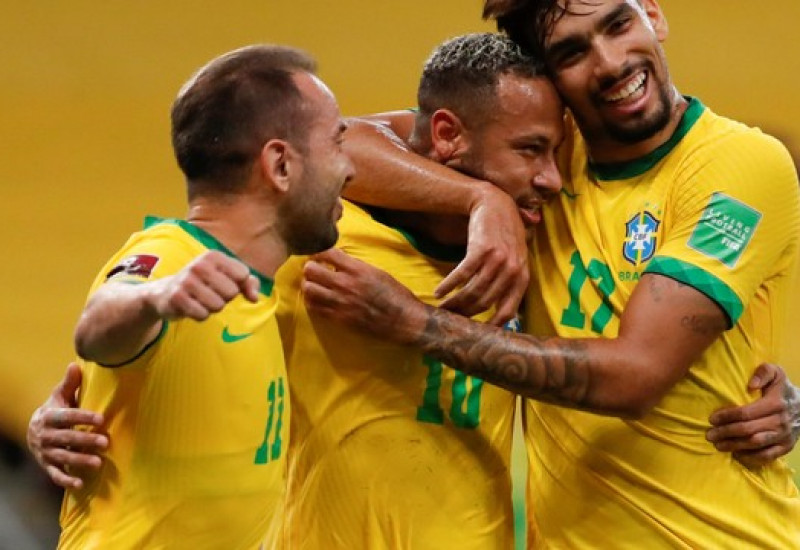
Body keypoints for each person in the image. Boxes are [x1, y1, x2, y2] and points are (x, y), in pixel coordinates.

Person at [299, 1, 800, 547]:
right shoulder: (545, 159)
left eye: (617, 23)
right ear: (549, 79)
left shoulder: (736, 162)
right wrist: (479, 197)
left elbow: (637, 374)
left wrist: (418, 325)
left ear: (653, 14)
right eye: (571, 52)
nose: (609, 63)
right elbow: (335, 146)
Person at [52, 44, 354, 549]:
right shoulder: (170, 258)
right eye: (337, 142)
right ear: (280, 164)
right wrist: (159, 298)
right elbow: (98, 325)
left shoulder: (267, 283)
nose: (351, 168)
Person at [274, 32, 561, 549]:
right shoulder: (318, 245)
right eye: (530, 150)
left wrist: (760, 384)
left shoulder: (540, 247)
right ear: (449, 135)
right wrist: (79, 422)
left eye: (555, 152)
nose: (554, 179)